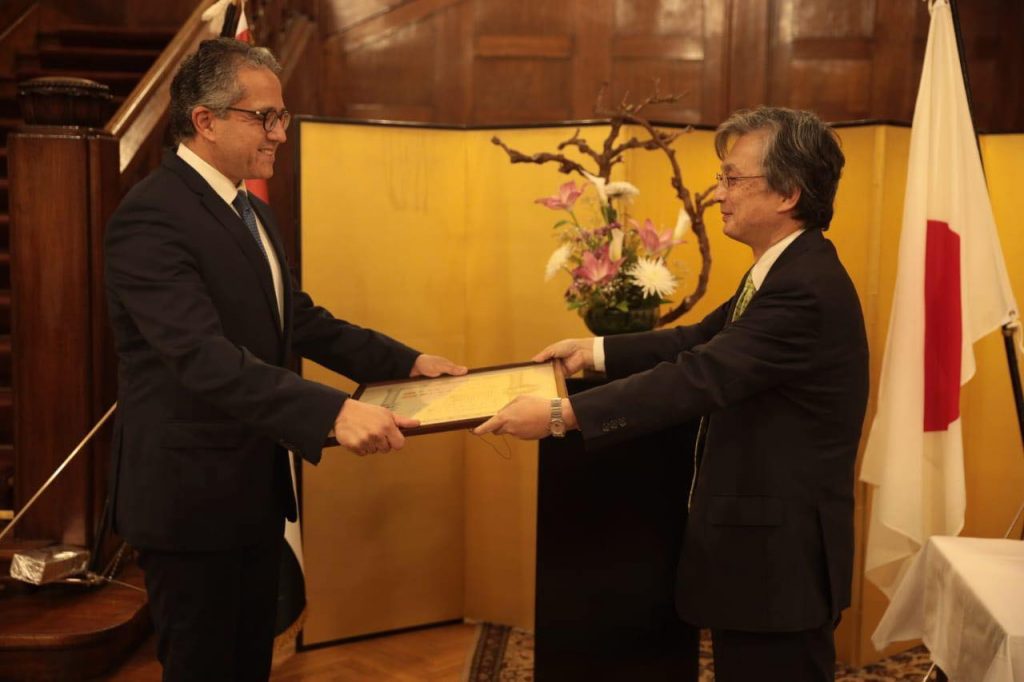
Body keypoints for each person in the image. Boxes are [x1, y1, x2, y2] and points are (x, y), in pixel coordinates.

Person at [104, 38, 466, 681]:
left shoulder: (249, 210)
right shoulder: (152, 216)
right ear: (205, 120)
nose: (279, 134)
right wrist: (334, 413)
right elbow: (201, 357)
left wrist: (406, 364)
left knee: (248, 666)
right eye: (264, 117)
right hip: (191, 501)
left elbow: (297, 318)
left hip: (252, 490)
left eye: (282, 117)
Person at [476, 106, 869, 681]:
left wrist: (564, 414)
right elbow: (700, 338)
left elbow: (700, 373)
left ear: (788, 193)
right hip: (760, 554)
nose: (719, 194)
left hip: (780, 562)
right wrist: (594, 352)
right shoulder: (784, 270)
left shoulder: (804, 288)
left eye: (733, 179)